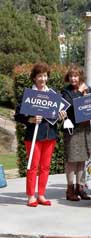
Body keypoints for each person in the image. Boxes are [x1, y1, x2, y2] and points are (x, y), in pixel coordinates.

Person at [14, 63, 63, 207]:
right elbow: (18, 115)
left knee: (46, 167)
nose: (42, 78)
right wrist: (30, 119)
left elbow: (57, 115)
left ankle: (41, 194)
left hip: (50, 135)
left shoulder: (53, 94)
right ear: (34, 78)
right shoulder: (28, 94)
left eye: (45, 75)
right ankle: (31, 196)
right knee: (33, 166)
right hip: (33, 135)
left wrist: (61, 115)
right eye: (39, 76)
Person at [60, 65, 91, 201]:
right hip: (72, 128)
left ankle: (80, 187)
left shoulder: (88, 88)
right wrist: (79, 92)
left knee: (82, 159)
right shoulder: (66, 91)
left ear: (80, 77)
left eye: (76, 76)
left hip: (85, 128)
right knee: (72, 159)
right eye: (71, 76)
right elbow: (69, 106)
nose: (73, 78)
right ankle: (70, 189)